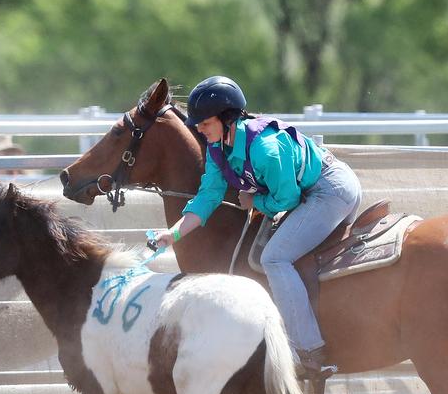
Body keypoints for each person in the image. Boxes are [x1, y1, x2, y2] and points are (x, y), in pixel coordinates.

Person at [153, 76, 362, 377]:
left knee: (273, 258)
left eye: (205, 123)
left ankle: (308, 350)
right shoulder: (217, 148)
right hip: (309, 193)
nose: (199, 129)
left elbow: (286, 198)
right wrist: (172, 234)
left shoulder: (266, 148)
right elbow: (208, 196)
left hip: (331, 191)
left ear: (227, 119)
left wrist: (253, 202)